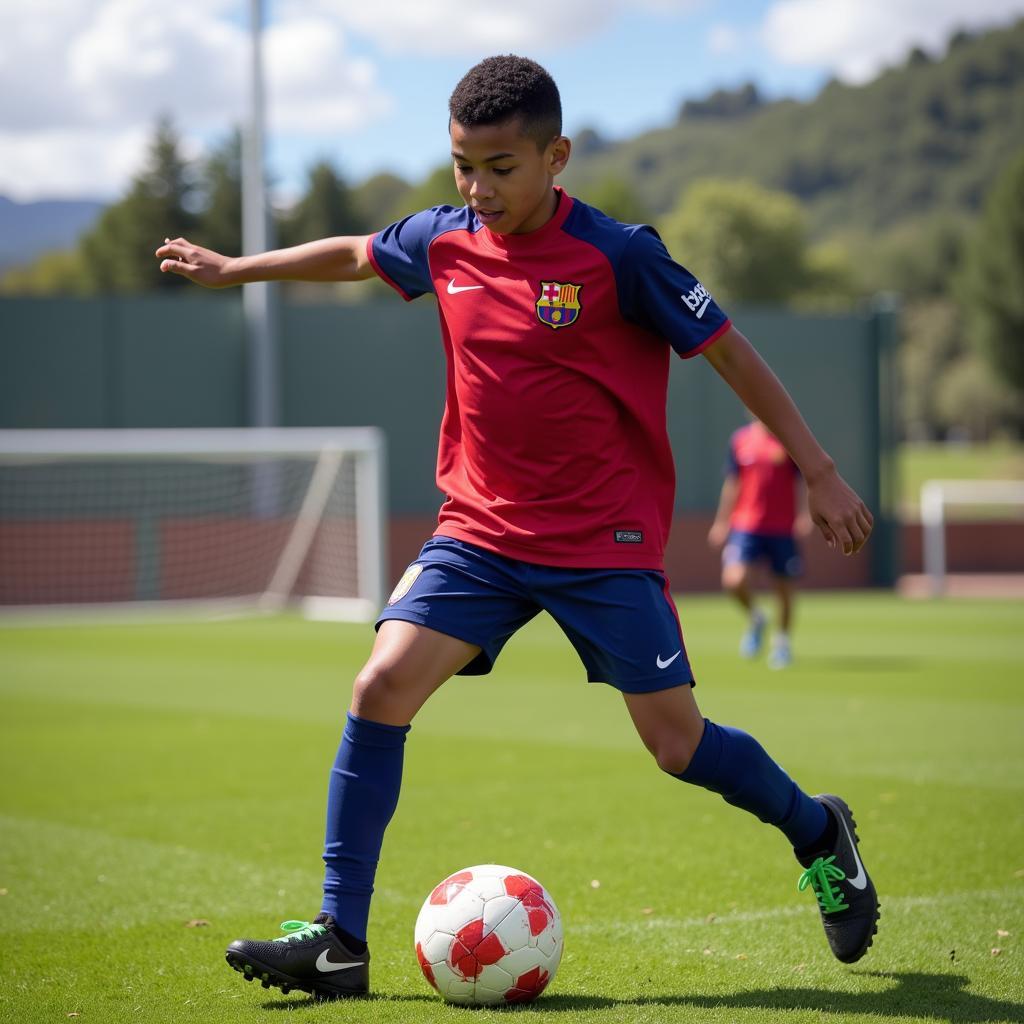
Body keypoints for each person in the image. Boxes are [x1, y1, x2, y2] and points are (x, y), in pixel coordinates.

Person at [155, 55, 878, 1001]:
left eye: (500, 167)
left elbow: (730, 351)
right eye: (463, 165)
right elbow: (353, 251)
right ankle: (338, 938)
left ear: (555, 157)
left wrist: (818, 471)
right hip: (480, 536)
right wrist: (236, 268)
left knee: (676, 744)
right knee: (380, 685)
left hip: (601, 545)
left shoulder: (622, 256)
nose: (477, 188)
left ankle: (819, 832)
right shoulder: (442, 241)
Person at [708, 418, 813, 669]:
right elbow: (733, 482)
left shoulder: (788, 438)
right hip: (746, 525)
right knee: (733, 580)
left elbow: (803, 480)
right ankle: (756, 618)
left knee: (784, 589)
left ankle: (782, 644)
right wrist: (722, 522)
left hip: (781, 527)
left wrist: (804, 514)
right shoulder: (740, 439)